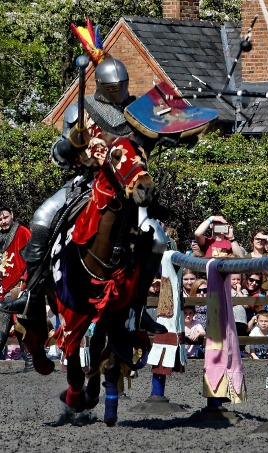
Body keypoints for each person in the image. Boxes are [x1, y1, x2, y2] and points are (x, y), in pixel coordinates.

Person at [0, 52, 171, 367]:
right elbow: (59, 154)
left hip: (129, 190)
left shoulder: (140, 111)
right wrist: (70, 144)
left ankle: (136, 309)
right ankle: (33, 293)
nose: (119, 90)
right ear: (102, 86)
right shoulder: (82, 110)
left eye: (122, 84)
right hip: (85, 183)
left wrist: (180, 132)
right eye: (113, 85)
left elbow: (165, 134)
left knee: (158, 240)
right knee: (41, 218)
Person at [0, 206, 34, 371]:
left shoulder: (22, 233)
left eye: (5, 217)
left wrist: (26, 282)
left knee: (12, 322)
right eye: (0, 219)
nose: (3, 221)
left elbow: (33, 257)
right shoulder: (1, 237)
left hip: (18, 287)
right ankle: (30, 362)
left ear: (12, 216)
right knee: (15, 323)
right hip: (4, 287)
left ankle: (31, 362)